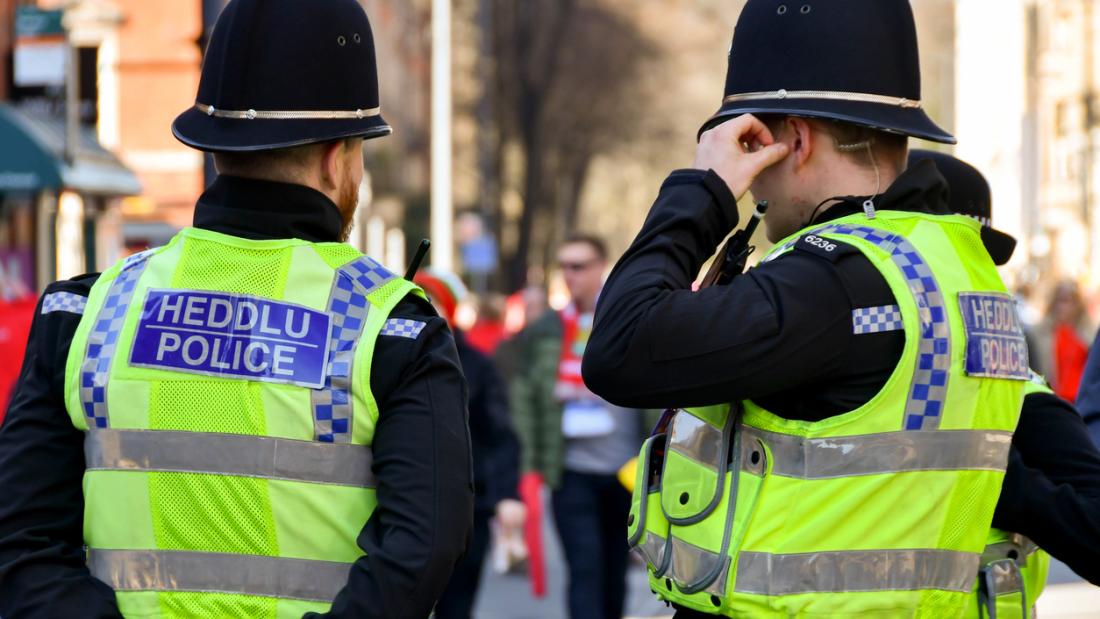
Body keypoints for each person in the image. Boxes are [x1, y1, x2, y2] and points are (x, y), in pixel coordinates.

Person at [582, 1, 1100, 616]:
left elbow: (619, 348)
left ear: (793, 140)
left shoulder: (829, 281)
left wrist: (706, 189)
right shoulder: (955, 271)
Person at [0, 1, 472, 617]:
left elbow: (21, 547)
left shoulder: (86, 313)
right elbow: (424, 551)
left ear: (217, 148)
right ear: (337, 158)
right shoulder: (391, 330)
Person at [509, 233, 658, 619]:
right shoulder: (546, 329)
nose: (569, 275)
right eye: (564, 267)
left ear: (600, 269)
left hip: (625, 471)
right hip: (570, 470)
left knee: (614, 572)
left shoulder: (627, 320)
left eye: (579, 266)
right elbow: (524, 400)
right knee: (584, 568)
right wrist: (528, 467)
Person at [414, 268, 525, 619]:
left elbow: (502, 434)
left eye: (429, 301)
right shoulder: (385, 357)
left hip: (466, 509)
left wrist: (508, 495)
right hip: (407, 504)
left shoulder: (477, 366)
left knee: (457, 605)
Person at [1032, 280, 1093, 401]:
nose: (1064, 307)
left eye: (1070, 301)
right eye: (1061, 300)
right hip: (1053, 399)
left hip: (1081, 400)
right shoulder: (1041, 333)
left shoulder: (1087, 333)